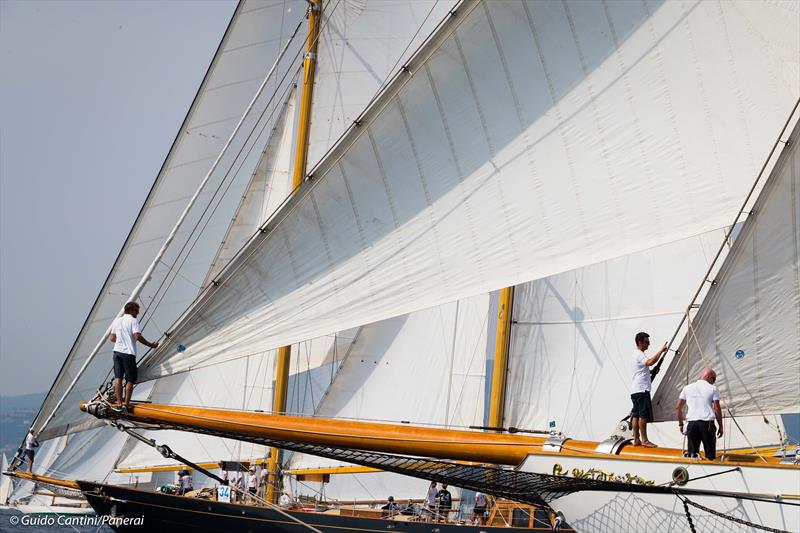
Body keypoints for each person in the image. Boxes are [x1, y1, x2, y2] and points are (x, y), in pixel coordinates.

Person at [107, 301, 159, 412]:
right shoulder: (133, 320)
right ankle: (126, 403)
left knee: (118, 377)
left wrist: (121, 340)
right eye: (136, 311)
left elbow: (111, 338)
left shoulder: (117, 321)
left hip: (117, 352)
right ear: (131, 310)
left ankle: (119, 404)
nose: (138, 313)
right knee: (130, 380)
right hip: (128, 354)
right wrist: (151, 345)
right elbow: (137, 336)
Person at [676, 368, 723, 460]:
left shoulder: (687, 388)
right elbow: (717, 409)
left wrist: (681, 424)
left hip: (692, 424)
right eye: (714, 379)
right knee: (710, 455)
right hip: (707, 424)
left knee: (692, 456)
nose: (713, 382)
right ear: (709, 377)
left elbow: (678, 408)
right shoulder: (713, 389)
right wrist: (721, 426)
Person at [630, 332, 667, 447]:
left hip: (635, 390)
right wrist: (661, 351)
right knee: (643, 415)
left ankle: (636, 439)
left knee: (636, 414)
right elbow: (650, 362)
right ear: (640, 342)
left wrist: (651, 372)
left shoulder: (634, 355)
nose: (649, 344)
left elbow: (641, 370)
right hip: (642, 390)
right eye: (647, 342)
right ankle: (645, 440)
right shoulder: (640, 354)